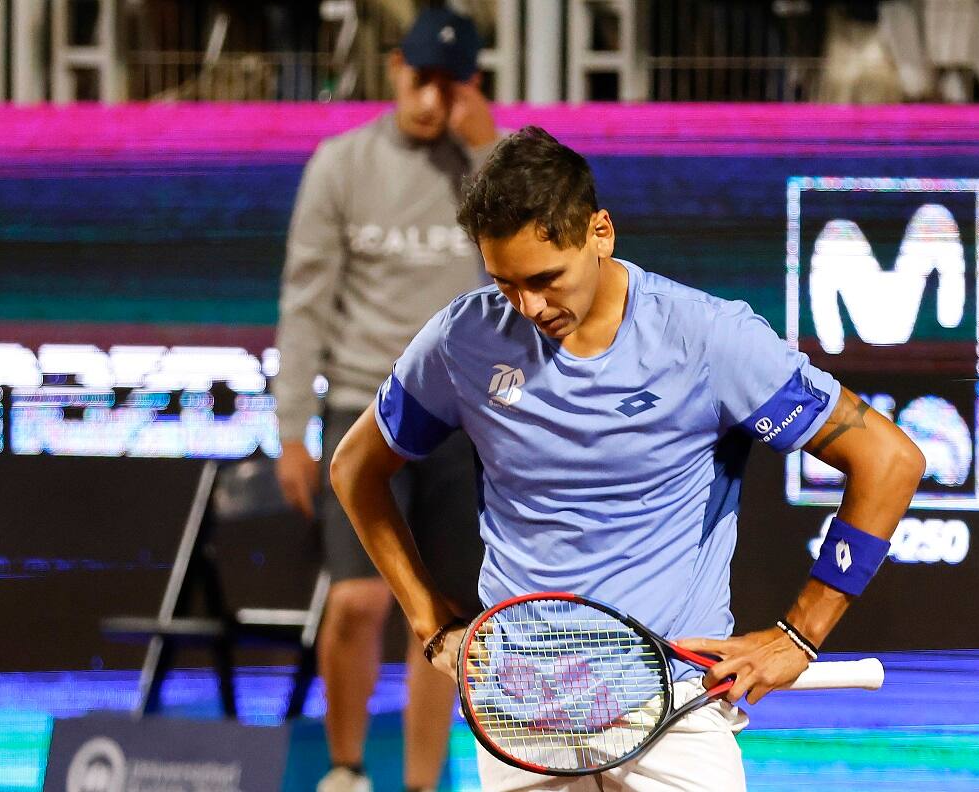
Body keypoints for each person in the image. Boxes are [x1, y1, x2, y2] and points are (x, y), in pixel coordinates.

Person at [329, 126, 925, 791]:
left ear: (600, 233)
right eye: (505, 284)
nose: (528, 306)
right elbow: (355, 470)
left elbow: (888, 458)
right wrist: (430, 623)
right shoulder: (462, 340)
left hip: (676, 709)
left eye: (544, 279)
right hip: (522, 711)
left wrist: (799, 634)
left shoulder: (708, 339)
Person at [271, 8, 498, 792]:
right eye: (418, 75)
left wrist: (488, 144)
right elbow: (305, 301)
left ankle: (422, 785)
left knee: (440, 621)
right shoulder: (341, 164)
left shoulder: (484, 169)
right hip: (365, 414)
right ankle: (345, 770)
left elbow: (547, 237)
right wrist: (292, 428)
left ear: (469, 84)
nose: (428, 96)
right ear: (394, 66)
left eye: (448, 81)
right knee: (358, 601)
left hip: (462, 420)